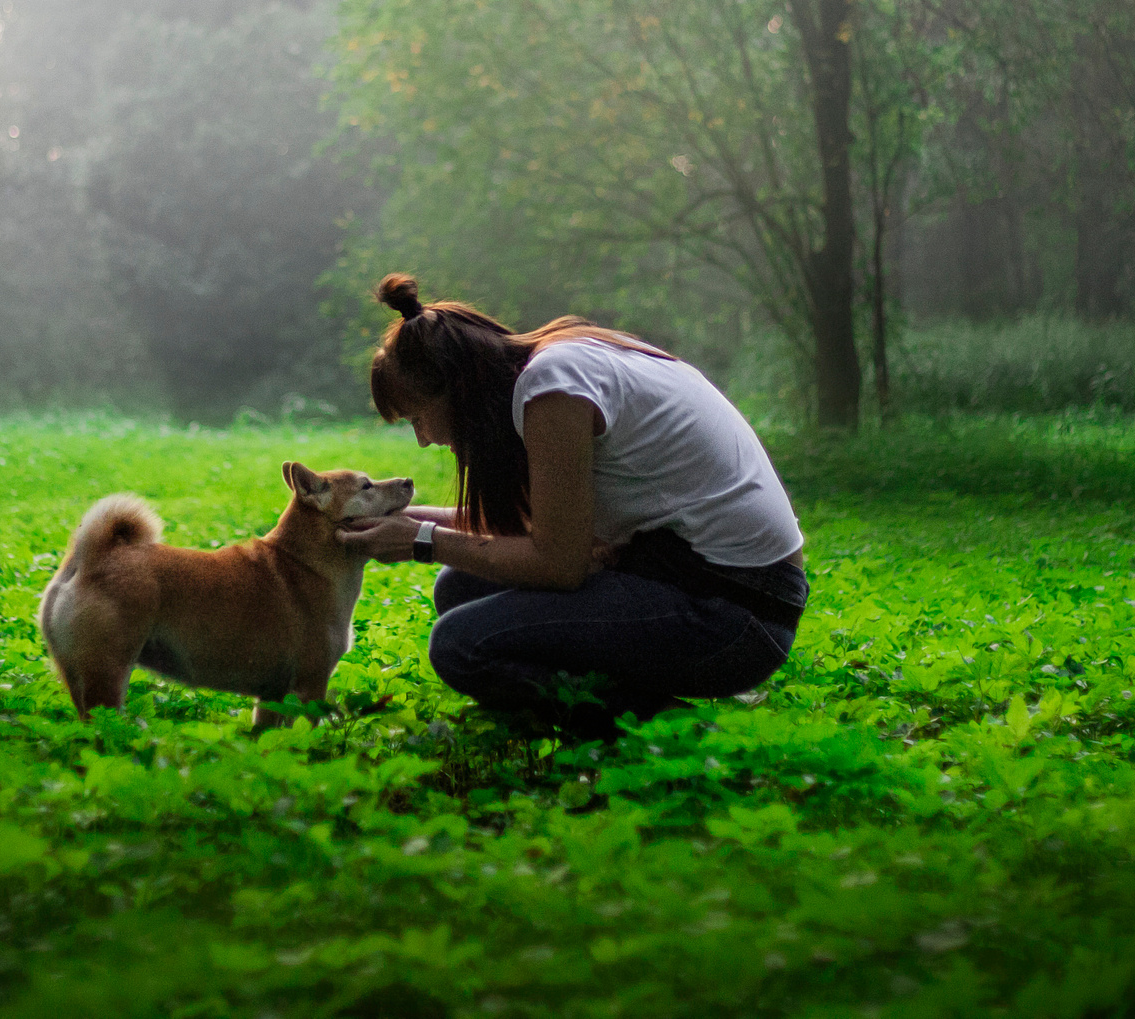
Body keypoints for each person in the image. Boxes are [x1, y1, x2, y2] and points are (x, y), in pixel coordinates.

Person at [336, 272, 809, 732]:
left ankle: (668, 723)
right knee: (460, 586)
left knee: (462, 647)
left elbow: (559, 563)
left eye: (418, 418)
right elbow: (542, 524)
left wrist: (422, 542)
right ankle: (623, 699)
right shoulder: (562, 356)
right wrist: (403, 519)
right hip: (702, 578)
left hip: (735, 616)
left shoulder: (553, 388)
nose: (423, 439)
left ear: (456, 390)